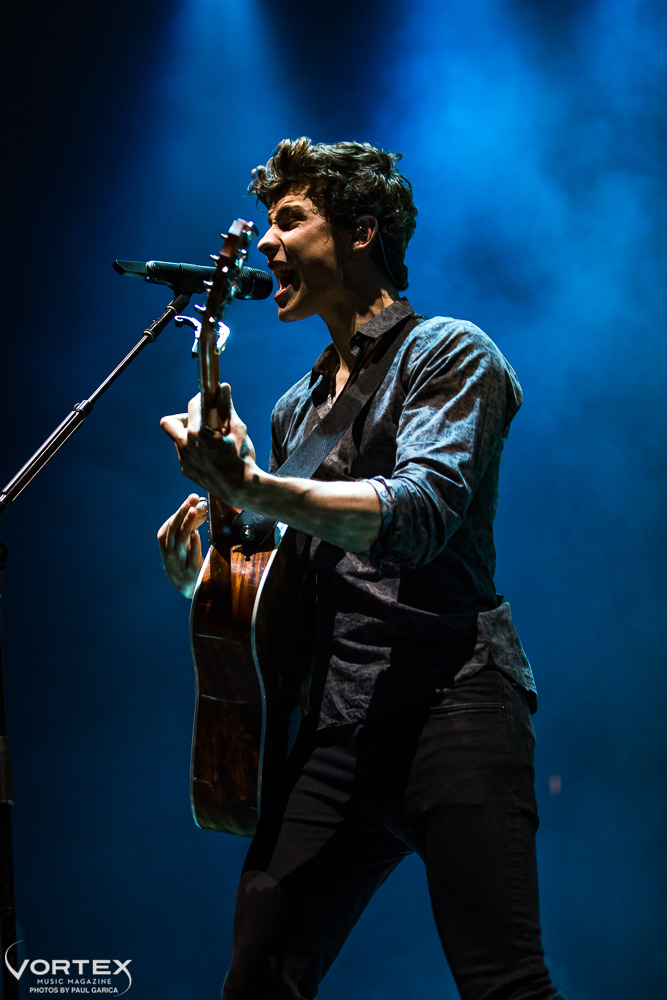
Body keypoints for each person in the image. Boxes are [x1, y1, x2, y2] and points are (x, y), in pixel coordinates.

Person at [158, 138, 566, 1000]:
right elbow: (291, 575)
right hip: (338, 721)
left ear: (360, 231)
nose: (267, 244)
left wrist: (260, 486)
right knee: (259, 979)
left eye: (289, 220)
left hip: (452, 702)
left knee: (504, 984)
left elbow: (415, 518)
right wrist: (210, 569)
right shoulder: (293, 407)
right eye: (266, 224)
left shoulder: (450, 352)